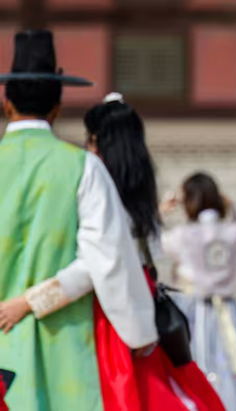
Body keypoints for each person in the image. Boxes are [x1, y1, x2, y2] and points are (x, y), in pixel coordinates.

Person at [0, 92, 226, 410]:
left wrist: (30, 301)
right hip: (139, 301)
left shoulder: (94, 182)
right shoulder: (141, 190)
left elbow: (96, 265)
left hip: (111, 307)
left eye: (90, 140)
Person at [0, 30, 158, 410]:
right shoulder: (82, 167)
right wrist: (32, 300)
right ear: (57, 105)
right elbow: (105, 258)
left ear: (7, 103)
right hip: (63, 340)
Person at [160, 172, 236, 411]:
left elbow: (154, 242)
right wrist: (234, 209)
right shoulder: (235, 233)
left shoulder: (183, 236)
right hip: (229, 312)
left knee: (193, 370)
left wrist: (161, 211)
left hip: (193, 313)